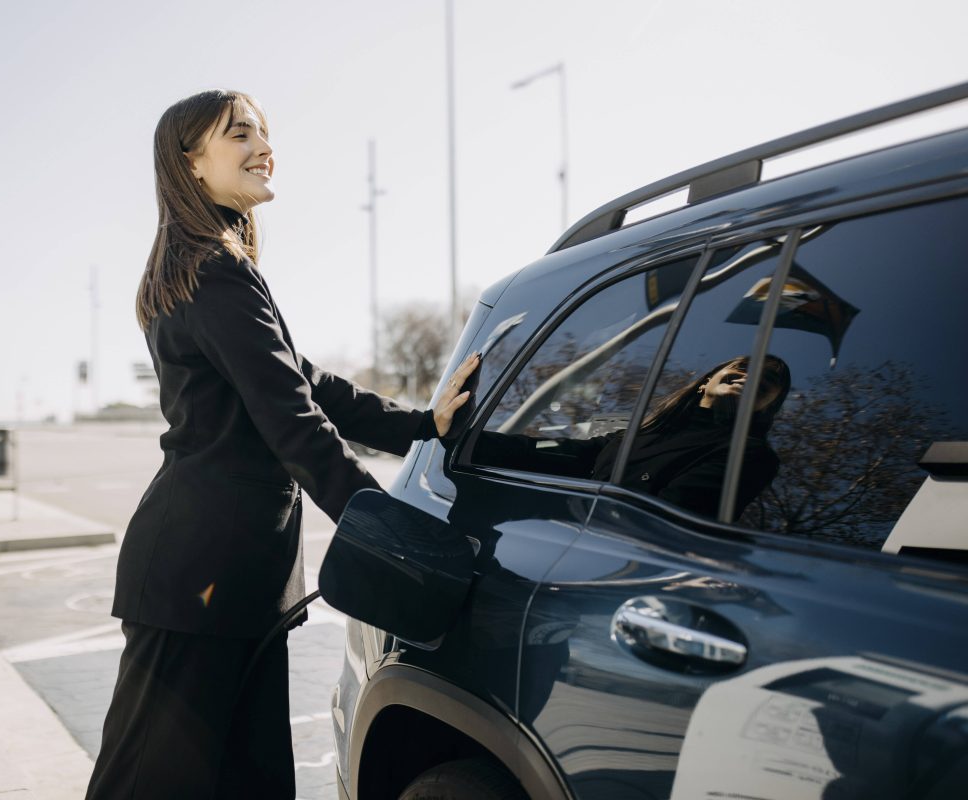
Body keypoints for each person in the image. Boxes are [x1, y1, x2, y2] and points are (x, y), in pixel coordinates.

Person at [85, 89, 480, 799]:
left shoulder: (213, 268)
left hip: (234, 582)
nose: (264, 146)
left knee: (254, 784)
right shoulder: (213, 271)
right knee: (148, 786)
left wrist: (423, 424)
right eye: (241, 135)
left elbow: (307, 382)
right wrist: (395, 538)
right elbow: (294, 421)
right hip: (197, 581)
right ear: (192, 163)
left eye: (264, 133)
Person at [476, 355, 791, 518]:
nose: (750, 376)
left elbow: (666, 521)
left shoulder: (750, 456)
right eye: (745, 366)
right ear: (705, 382)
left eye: (768, 380)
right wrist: (453, 434)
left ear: (766, 408)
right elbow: (550, 449)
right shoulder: (640, 434)